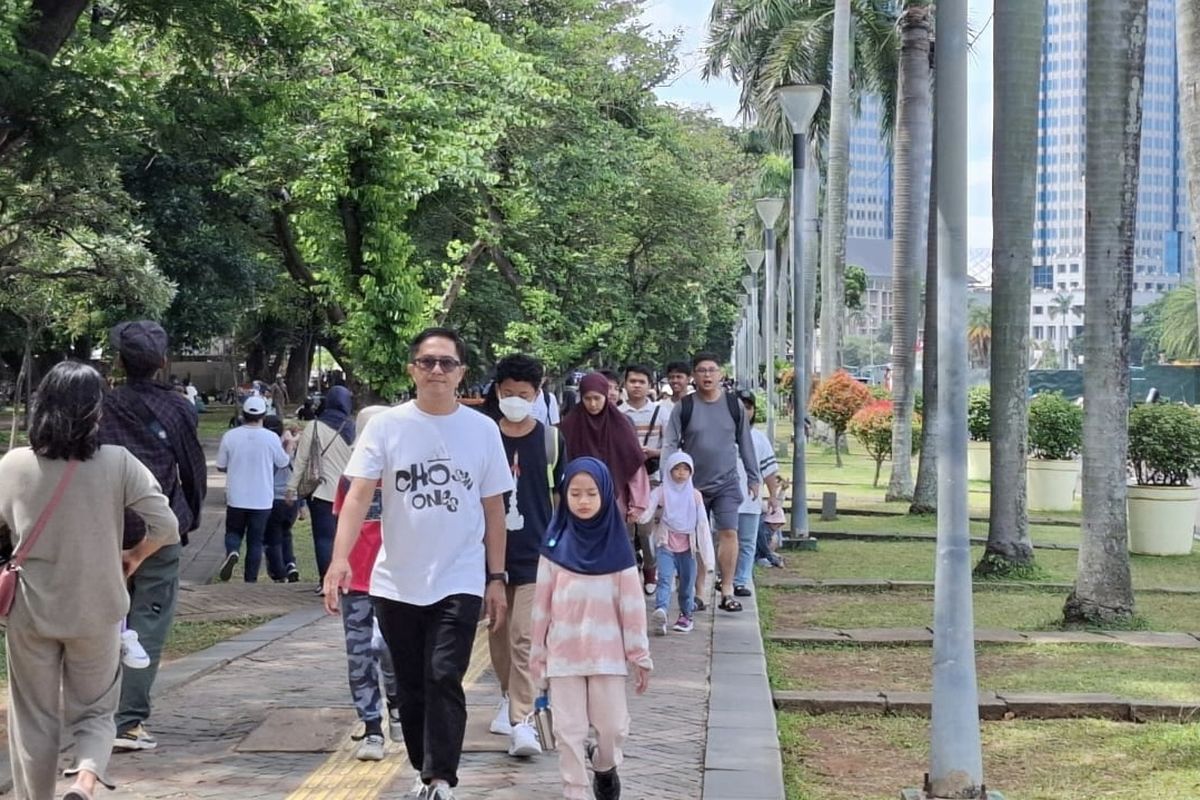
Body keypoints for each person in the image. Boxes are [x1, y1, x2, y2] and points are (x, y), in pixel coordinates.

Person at [324, 327, 513, 800]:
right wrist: (338, 561)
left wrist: (496, 577)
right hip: (396, 581)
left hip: (461, 576)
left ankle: (440, 778)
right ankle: (420, 766)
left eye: (446, 363)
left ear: (461, 373)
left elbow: (494, 509)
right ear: (412, 369)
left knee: (444, 673)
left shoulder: (482, 430)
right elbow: (358, 494)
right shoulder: (387, 426)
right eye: (427, 362)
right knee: (410, 683)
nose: (436, 370)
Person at [0, 361, 179, 800]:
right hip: (98, 608)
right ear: (95, 410)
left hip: (31, 609)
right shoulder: (117, 462)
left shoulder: (13, 464)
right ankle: (83, 778)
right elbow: (166, 526)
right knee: (97, 711)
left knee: (33, 718)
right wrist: (134, 557)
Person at [99, 320, 207, 752]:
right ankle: (128, 722)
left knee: (104, 623)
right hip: (159, 531)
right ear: (164, 362)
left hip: (105, 530)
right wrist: (189, 518)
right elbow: (192, 467)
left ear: (120, 362)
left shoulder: (101, 405)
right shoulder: (177, 407)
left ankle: (95, 716)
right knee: (149, 624)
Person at [530, 457, 652, 800]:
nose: (583, 501)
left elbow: (632, 609)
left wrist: (639, 655)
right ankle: (576, 791)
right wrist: (536, 660)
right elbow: (540, 609)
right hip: (563, 658)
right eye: (575, 493)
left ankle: (604, 766)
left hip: (607, 658)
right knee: (568, 732)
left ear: (605, 496)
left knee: (612, 729)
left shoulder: (620, 552)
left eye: (591, 494)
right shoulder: (553, 550)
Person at [486, 354, 566, 757]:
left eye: (524, 394)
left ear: (537, 394)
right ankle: (507, 695)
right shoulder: (484, 435)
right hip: (489, 556)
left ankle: (523, 721)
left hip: (537, 553)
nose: (515, 400)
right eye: (508, 393)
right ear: (497, 392)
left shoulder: (550, 439)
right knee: (498, 634)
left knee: (524, 636)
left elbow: (558, 497)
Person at [662, 354, 759, 613]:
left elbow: (745, 442)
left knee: (729, 533)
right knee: (695, 539)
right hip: (692, 486)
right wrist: (668, 479)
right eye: (701, 371)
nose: (707, 375)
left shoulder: (732, 405)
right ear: (694, 376)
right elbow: (670, 443)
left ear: (720, 374)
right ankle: (699, 592)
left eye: (712, 370)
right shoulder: (685, 406)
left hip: (727, 482)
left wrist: (753, 476)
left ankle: (727, 589)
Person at [332, 405, 402, 762]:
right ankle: (372, 727)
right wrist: (335, 568)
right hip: (357, 582)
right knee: (359, 655)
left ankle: (397, 704)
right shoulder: (349, 478)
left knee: (391, 650)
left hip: (397, 582)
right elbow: (342, 524)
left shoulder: (404, 473)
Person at [287, 384, 355, 589]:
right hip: (350, 494)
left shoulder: (314, 426)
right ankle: (347, 581)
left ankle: (326, 582)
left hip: (322, 493)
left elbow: (301, 461)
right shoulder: (355, 428)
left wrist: (291, 489)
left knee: (324, 539)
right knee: (348, 538)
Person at [216, 396, 291, 582]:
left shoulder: (230, 436)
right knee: (255, 540)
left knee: (233, 531)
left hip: (236, 496)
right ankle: (250, 580)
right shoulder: (271, 437)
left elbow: (220, 465)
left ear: (243, 414)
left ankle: (233, 551)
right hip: (262, 498)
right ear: (263, 415)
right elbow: (283, 462)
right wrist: (288, 447)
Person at [638, 452, 713, 635]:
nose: (680, 473)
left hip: (688, 547)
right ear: (669, 471)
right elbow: (648, 509)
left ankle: (686, 615)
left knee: (686, 585)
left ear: (691, 472)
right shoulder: (662, 491)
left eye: (685, 469)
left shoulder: (695, 496)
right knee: (664, 579)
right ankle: (661, 611)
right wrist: (638, 517)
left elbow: (702, 525)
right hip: (666, 544)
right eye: (676, 469)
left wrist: (708, 559)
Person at [559, 373, 649, 523]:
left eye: (597, 398)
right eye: (587, 399)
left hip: (614, 501)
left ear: (605, 396)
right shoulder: (569, 426)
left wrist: (637, 504)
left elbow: (634, 463)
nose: (593, 404)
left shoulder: (621, 425)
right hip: (578, 502)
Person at [620, 364, 666, 596]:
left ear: (650, 386)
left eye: (641, 382)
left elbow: (671, 447)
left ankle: (650, 569)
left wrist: (653, 453)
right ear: (624, 384)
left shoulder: (661, 412)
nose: (636, 386)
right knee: (626, 529)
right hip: (623, 479)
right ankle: (629, 571)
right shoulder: (618, 413)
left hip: (650, 478)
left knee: (645, 529)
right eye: (632, 381)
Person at [732, 390, 781, 597]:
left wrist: (773, 496)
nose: (744, 411)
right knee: (723, 540)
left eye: (748, 407)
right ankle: (722, 576)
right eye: (739, 406)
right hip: (724, 500)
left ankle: (741, 580)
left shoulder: (759, 439)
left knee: (747, 543)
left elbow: (769, 471)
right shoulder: (721, 435)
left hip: (750, 501)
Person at [262, 416, 301, 583]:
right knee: (286, 533)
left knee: (273, 536)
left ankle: (279, 573)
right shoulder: (294, 450)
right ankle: (291, 563)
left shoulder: (268, 448)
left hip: (274, 498)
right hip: (293, 498)